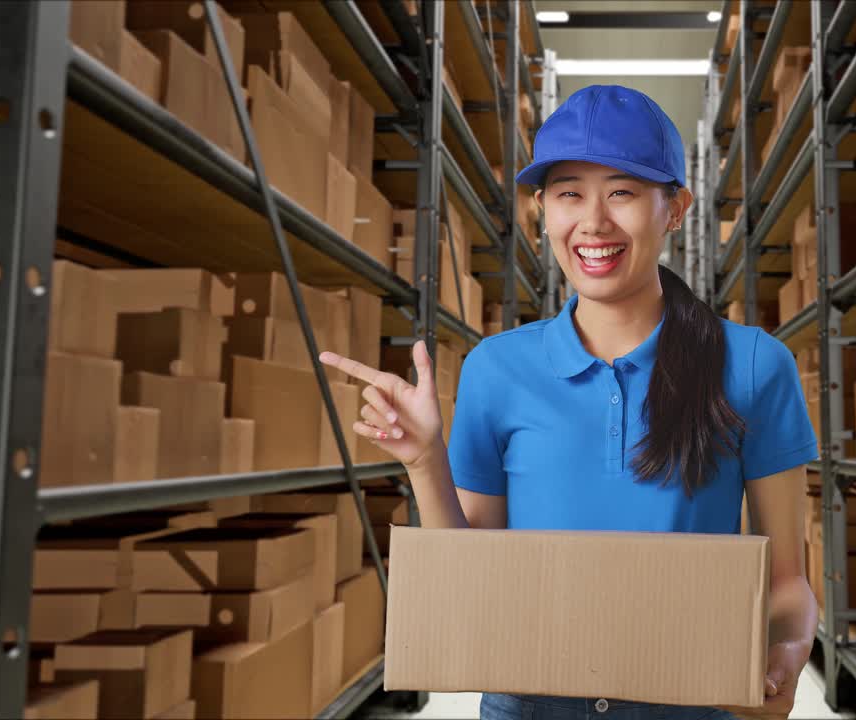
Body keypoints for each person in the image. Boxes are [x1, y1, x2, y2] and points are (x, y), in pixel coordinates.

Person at [320, 84, 819, 720]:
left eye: (622, 192)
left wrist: (791, 646)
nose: (593, 222)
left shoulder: (752, 365)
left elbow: (786, 582)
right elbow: (475, 579)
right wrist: (424, 461)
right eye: (569, 194)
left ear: (675, 208)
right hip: (528, 705)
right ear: (542, 210)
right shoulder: (496, 369)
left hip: (693, 704)